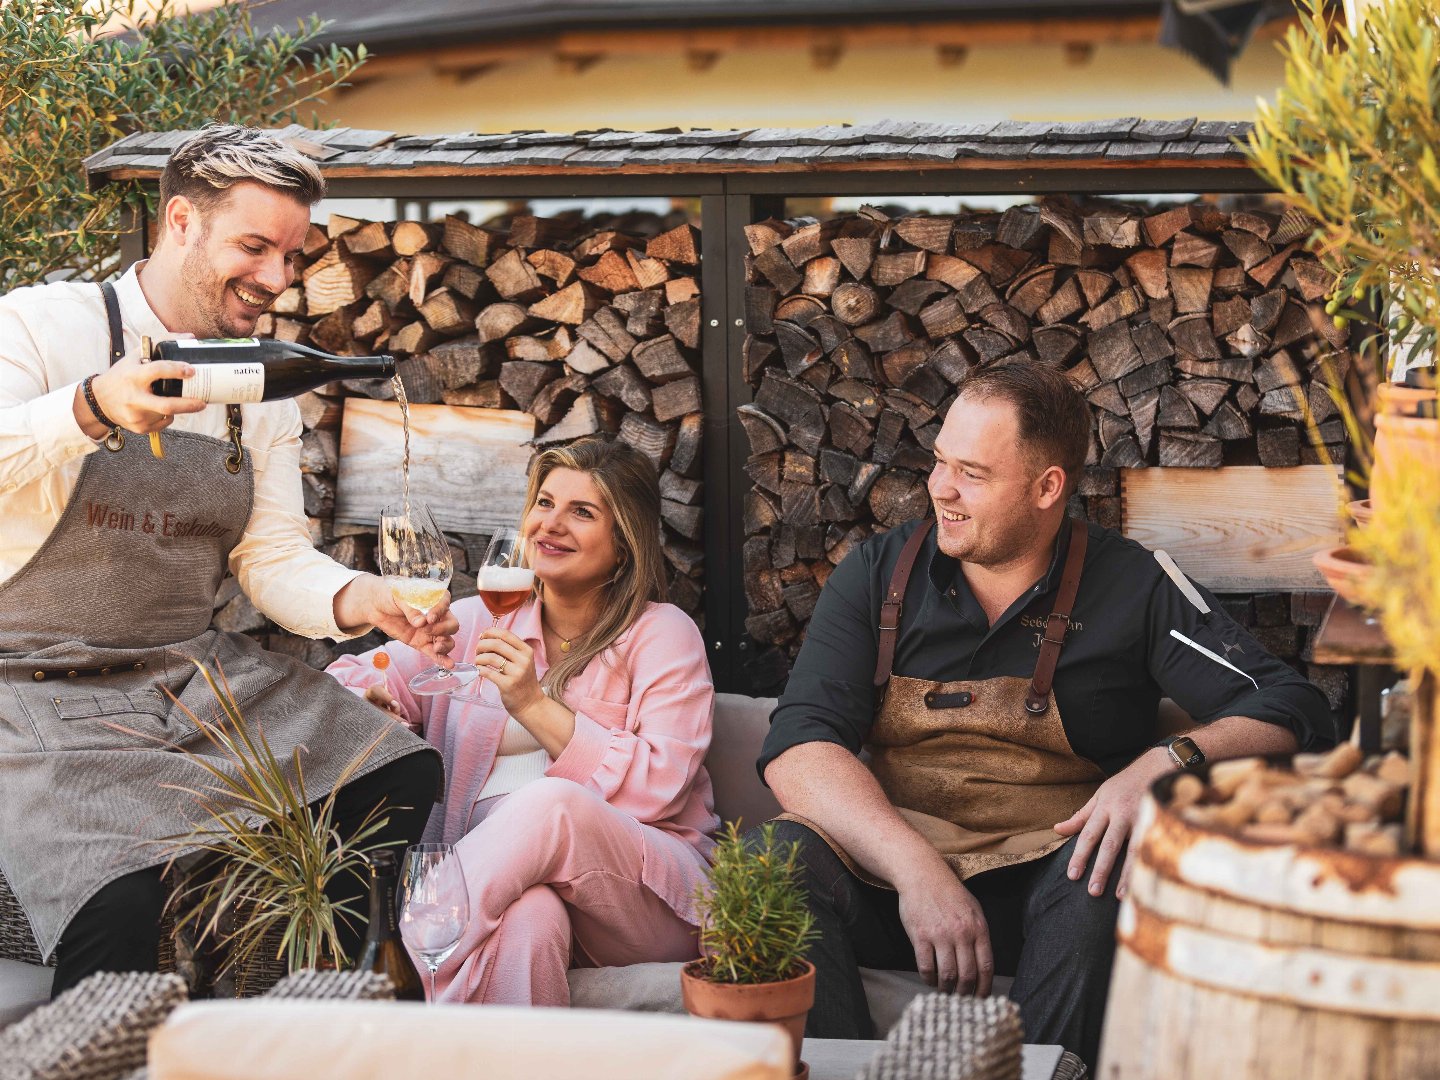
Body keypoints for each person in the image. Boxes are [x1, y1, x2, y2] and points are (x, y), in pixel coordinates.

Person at [757, 361, 1335, 1067]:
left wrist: (1163, 761)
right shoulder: (876, 575)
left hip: (1052, 888)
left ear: (1047, 487)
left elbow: (1290, 704)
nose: (941, 488)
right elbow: (798, 746)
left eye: (971, 472)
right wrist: (917, 871)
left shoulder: (1132, 584)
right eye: (940, 462)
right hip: (893, 885)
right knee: (772, 862)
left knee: (1107, 882)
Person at [0, 124, 454, 996]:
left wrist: (364, 598)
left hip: (184, 675)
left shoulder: (261, 387)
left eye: (290, 254)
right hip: (33, 688)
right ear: (180, 223)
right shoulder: (42, 326)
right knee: (120, 905)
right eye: (255, 246)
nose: (277, 278)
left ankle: (306, 1012)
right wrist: (93, 406)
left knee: (393, 770)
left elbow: (272, 555)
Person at [328, 436, 718, 1005]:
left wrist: (534, 705)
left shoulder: (660, 633)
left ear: (625, 542)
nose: (549, 525)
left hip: (642, 898)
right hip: (509, 892)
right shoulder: (476, 621)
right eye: (544, 503)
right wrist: (370, 703)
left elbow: (657, 787)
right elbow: (350, 676)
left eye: (581, 512)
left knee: (547, 802)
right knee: (530, 917)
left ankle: (392, 970)